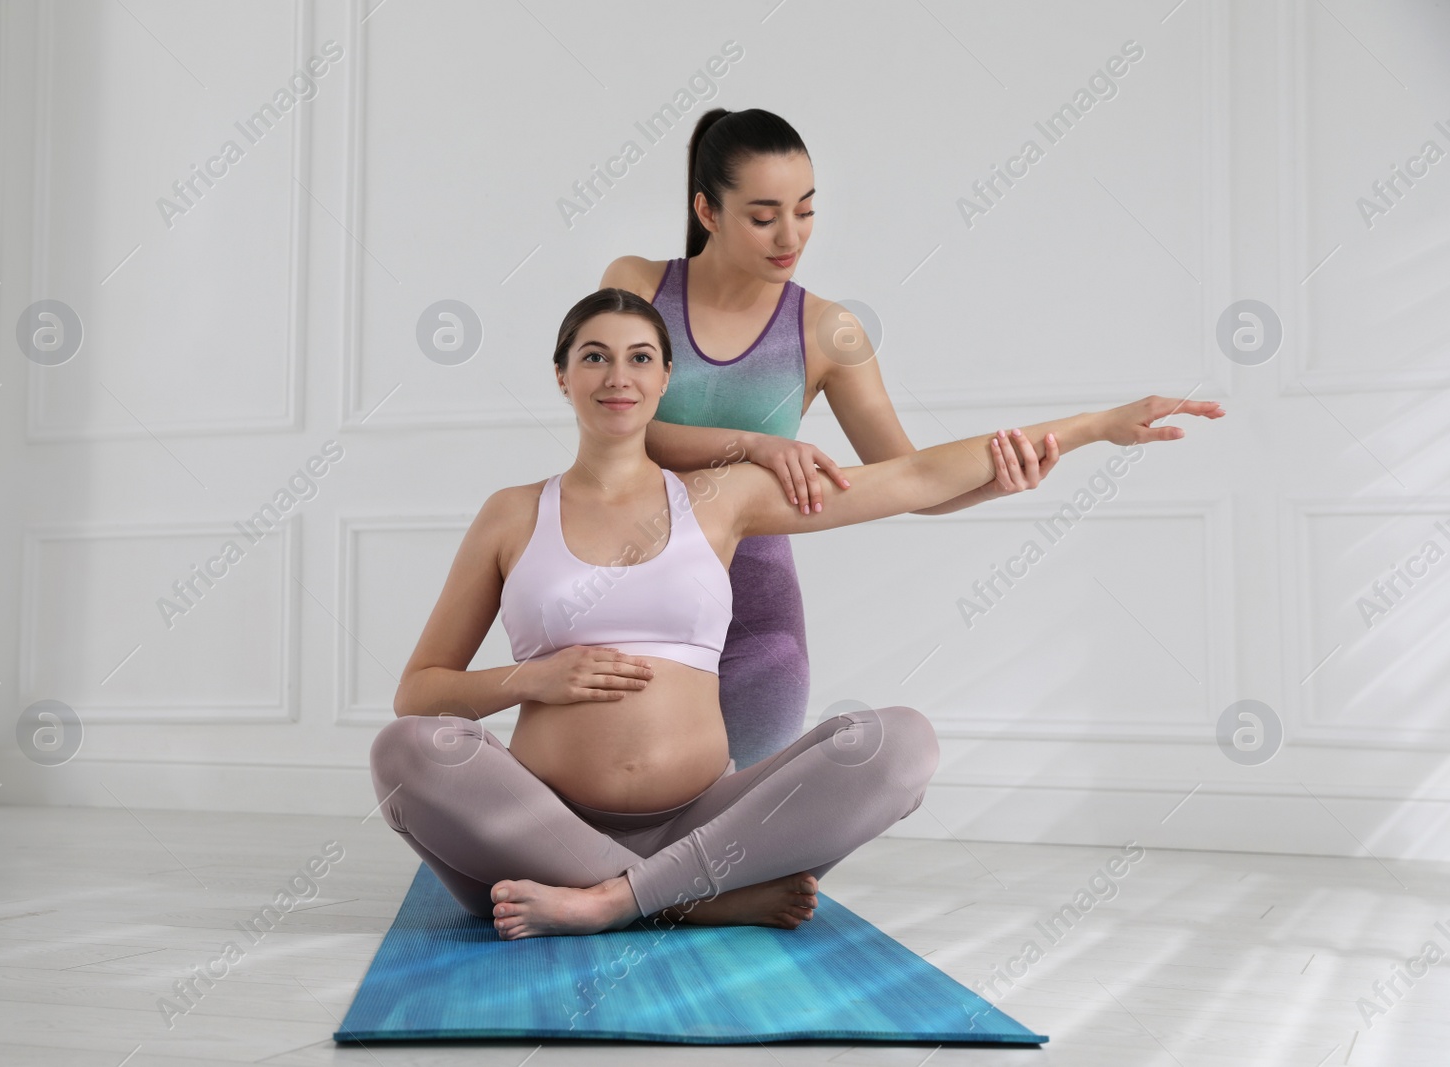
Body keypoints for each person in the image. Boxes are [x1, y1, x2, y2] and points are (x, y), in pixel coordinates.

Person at [371, 288, 1221, 940]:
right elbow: (420, 691)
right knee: (404, 753)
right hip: (544, 819)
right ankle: (692, 900)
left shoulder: (721, 496)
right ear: (562, 376)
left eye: (638, 358)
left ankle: (617, 899)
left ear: (666, 380)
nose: (617, 376)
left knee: (901, 742)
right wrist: (535, 676)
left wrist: (1095, 426)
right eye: (593, 357)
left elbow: (913, 479)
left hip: (707, 817)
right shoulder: (512, 512)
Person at [600, 107, 1053, 771]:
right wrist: (755, 446)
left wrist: (996, 481)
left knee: (745, 835)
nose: (792, 235)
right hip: (630, 598)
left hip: (758, 620)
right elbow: (625, 433)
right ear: (708, 210)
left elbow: (909, 479)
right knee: (619, 817)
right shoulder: (636, 286)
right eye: (763, 215)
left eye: (805, 210)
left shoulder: (829, 332)